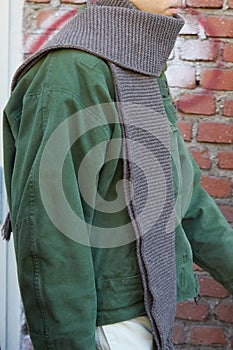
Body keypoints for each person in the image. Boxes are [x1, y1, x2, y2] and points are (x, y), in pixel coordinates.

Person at [2, 0, 233, 349]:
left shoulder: (133, 60)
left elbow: (182, 197)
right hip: (109, 329)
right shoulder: (70, 73)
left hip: (148, 313)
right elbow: (50, 239)